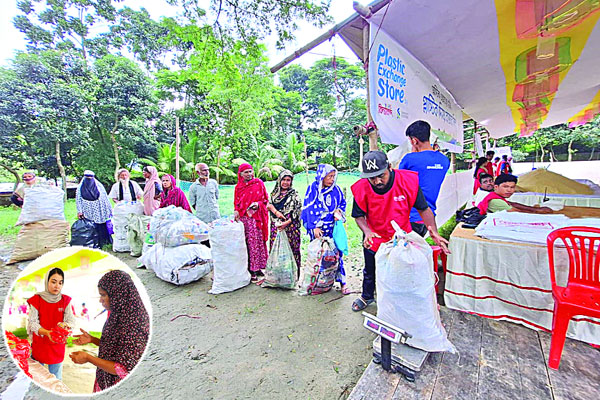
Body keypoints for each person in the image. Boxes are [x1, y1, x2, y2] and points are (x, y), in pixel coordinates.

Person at [350, 151, 450, 312]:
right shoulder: (360, 188)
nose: (377, 181)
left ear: (389, 167)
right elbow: (358, 215)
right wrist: (367, 231)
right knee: (370, 268)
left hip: (402, 235)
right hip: (375, 235)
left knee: (403, 269)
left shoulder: (408, 181)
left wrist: (434, 232)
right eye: (372, 178)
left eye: (381, 175)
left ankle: (403, 298)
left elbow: (424, 209)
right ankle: (367, 296)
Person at [71, 270, 149, 392]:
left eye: (103, 295)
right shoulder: (118, 313)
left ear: (118, 295)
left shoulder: (135, 324)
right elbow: (117, 346)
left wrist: (88, 358)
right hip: (105, 379)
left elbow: (122, 368)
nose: (100, 300)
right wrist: (93, 339)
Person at [301, 164, 349, 294]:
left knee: (336, 255)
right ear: (322, 176)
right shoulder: (312, 189)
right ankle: (318, 283)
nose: (332, 179)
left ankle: (342, 282)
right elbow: (308, 208)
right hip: (318, 229)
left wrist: (338, 212)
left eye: (334, 176)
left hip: (332, 228)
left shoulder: (336, 190)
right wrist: (314, 226)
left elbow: (342, 204)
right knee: (319, 255)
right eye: (330, 176)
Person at [399, 120, 450, 237]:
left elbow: (397, 179)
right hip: (428, 218)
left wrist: (413, 153)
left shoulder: (409, 159)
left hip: (410, 216)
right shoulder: (444, 160)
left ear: (414, 141)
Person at [27, 268, 76, 380]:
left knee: (56, 379)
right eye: (53, 282)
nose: (57, 286)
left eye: (60, 283)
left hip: (57, 345)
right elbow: (33, 323)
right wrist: (47, 332)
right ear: (46, 281)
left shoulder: (65, 300)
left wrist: (65, 325)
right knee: (38, 378)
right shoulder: (36, 300)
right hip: (40, 344)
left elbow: (71, 321)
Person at [234, 163, 269, 281]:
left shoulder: (259, 183)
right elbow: (236, 202)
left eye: (250, 171)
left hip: (258, 218)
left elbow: (265, 200)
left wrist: (257, 204)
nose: (249, 174)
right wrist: (236, 211)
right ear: (241, 174)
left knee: (258, 242)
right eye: (246, 172)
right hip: (245, 219)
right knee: (249, 243)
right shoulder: (238, 187)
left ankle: (259, 268)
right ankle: (251, 269)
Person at [266, 170, 302, 275]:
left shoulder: (294, 195)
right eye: (283, 180)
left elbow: (297, 212)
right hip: (276, 227)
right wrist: (276, 213)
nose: (286, 182)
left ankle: (293, 276)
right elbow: (269, 205)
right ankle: (277, 276)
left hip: (291, 228)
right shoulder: (274, 194)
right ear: (279, 180)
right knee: (276, 251)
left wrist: (286, 223)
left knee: (291, 251)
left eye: (288, 180)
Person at [477, 174, 553, 215]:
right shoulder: (494, 200)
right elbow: (517, 213)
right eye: (505, 187)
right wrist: (538, 211)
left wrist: (536, 209)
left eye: (512, 187)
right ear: (496, 187)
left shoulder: (495, 195)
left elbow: (512, 204)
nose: (509, 190)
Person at [76, 170, 113, 248]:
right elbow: (78, 200)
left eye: (91, 178)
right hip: (87, 210)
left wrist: (109, 209)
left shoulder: (99, 186)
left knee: (102, 226)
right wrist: (79, 211)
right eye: (87, 178)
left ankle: (104, 242)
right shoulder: (80, 188)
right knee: (91, 226)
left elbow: (105, 198)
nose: (89, 180)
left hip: (100, 210)